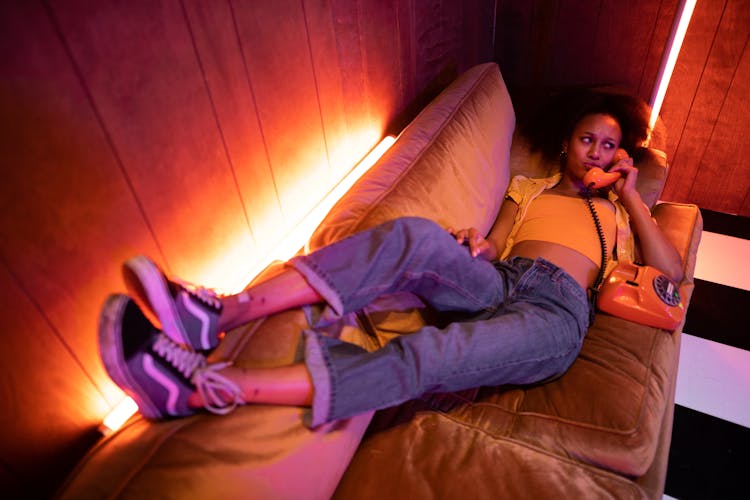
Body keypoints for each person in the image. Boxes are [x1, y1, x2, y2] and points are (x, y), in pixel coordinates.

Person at [98, 88, 683, 427]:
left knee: (434, 351)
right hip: (501, 279)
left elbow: (672, 273)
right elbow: (496, 239)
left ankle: (202, 389)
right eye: (588, 140)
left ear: (622, 157)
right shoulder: (530, 185)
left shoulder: (622, 218)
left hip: (555, 314)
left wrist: (630, 196)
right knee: (416, 236)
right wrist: (473, 246)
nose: (598, 152)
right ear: (565, 142)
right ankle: (218, 315)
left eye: (610, 145)